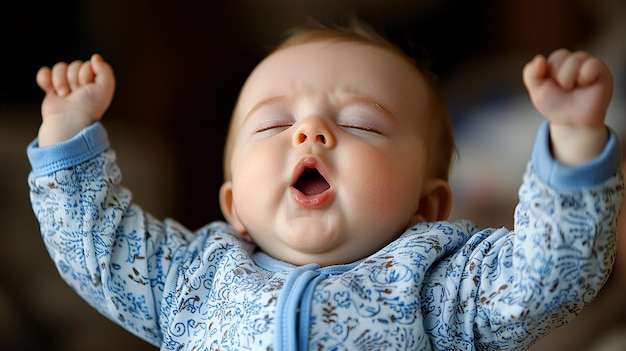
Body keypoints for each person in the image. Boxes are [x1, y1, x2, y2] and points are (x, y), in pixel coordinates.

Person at [27, 23, 623, 351]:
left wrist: (572, 142)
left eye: (360, 124)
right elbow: (96, 249)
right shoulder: (192, 278)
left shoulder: (443, 287)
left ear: (428, 205)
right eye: (275, 123)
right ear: (234, 204)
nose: (310, 132)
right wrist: (65, 139)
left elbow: (551, 273)